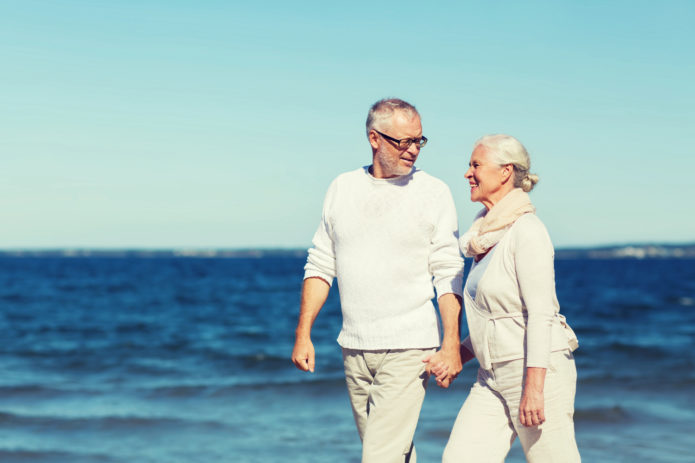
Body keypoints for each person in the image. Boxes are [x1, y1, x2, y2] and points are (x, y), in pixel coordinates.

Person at [291, 98, 465, 463]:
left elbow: (448, 272)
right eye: (404, 141)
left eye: (419, 140)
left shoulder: (434, 192)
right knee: (391, 451)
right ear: (374, 138)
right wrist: (303, 333)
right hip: (354, 346)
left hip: (410, 346)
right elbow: (322, 262)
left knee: (379, 456)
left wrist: (451, 343)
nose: (414, 150)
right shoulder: (342, 188)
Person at [429, 134, 580, 462]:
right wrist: (457, 354)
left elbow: (541, 315)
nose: (467, 173)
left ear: (505, 172)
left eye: (476, 165)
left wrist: (534, 388)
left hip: (537, 372)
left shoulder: (527, 231)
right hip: (491, 377)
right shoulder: (484, 235)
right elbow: (496, 321)